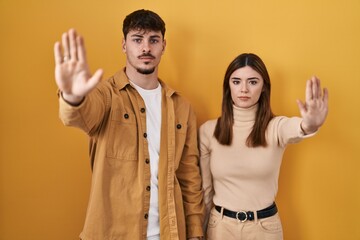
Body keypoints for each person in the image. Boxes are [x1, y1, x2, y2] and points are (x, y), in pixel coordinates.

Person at [54, 9, 204, 240]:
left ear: (163, 45)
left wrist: (194, 233)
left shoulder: (181, 106)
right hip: (113, 233)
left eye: (153, 40)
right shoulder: (105, 95)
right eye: (137, 39)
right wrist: (73, 96)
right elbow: (79, 116)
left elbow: (189, 176)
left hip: (168, 233)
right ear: (124, 45)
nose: (146, 48)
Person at [199, 53, 328, 240]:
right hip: (220, 228)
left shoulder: (275, 127)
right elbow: (205, 192)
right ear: (228, 86)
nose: (244, 89)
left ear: (264, 88)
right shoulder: (208, 131)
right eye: (236, 82)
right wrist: (198, 231)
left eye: (252, 82)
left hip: (264, 229)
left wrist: (310, 124)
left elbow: (297, 128)